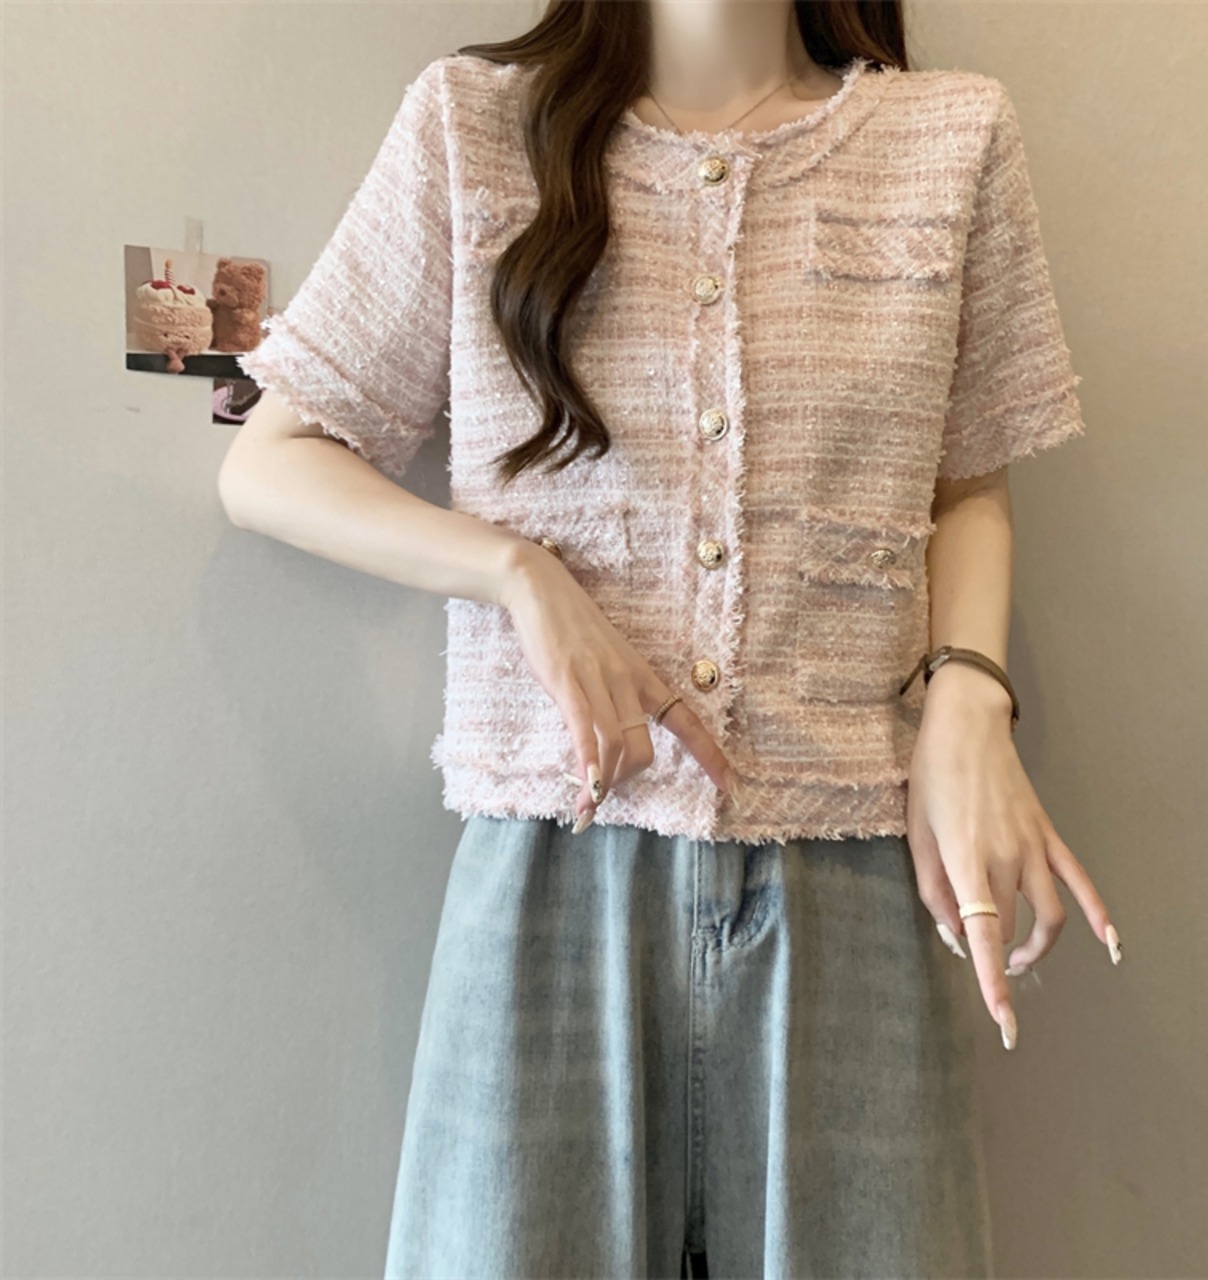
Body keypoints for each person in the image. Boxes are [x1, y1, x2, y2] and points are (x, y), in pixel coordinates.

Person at [220, 1, 1125, 1274]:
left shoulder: (948, 138)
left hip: (854, 868)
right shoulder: (474, 127)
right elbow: (272, 459)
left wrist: (969, 700)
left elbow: (967, 478)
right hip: (551, 861)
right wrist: (516, 572)